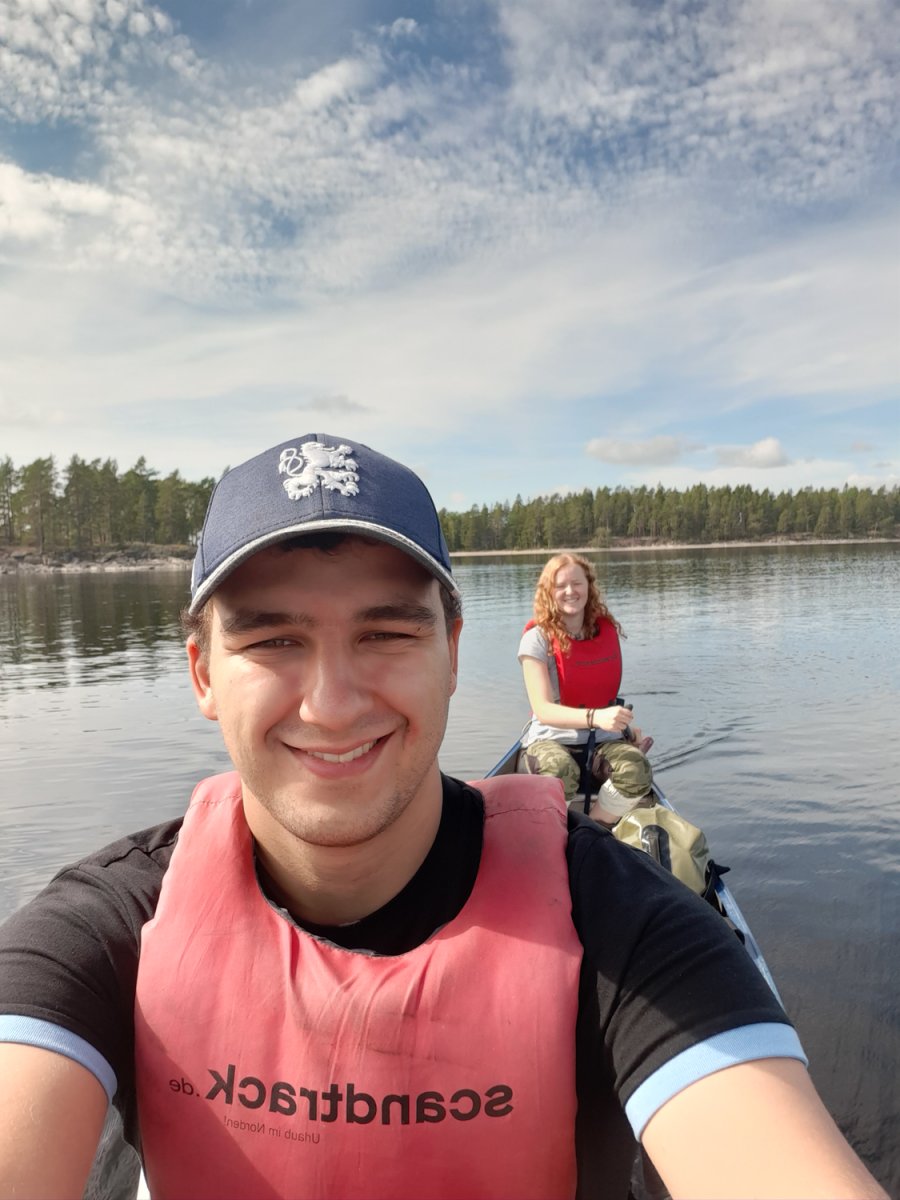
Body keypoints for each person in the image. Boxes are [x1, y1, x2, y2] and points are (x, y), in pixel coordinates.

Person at [0, 433, 887, 1200]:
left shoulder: (631, 935)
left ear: (453, 655)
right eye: (273, 640)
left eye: (387, 634)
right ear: (202, 674)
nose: (333, 705)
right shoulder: (102, 931)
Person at [519, 552, 654, 825]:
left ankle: (591, 831)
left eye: (577, 583)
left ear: (589, 586)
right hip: (551, 741)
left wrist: (626, 731)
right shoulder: (536, 639)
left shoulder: (602, 632)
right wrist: (596, 717)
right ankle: (555, 832)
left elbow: (601, 695)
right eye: (561, 586)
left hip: (603, 741)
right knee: (559, 771)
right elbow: (543, 709)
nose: (570, 591)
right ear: (549, 592)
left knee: (636, 769)